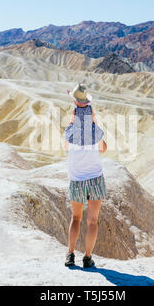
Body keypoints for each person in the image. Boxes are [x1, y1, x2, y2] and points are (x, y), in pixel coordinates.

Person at [63, 83, 107, 268]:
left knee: (76, 219)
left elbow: (66, 148)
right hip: (95, 179)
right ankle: (87, 258)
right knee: (92, 221)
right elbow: (103, 149)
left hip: (77, 180)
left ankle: (70, 255)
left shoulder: (69, 133)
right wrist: (94, 122)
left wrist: (73, 123)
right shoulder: (95, 133)